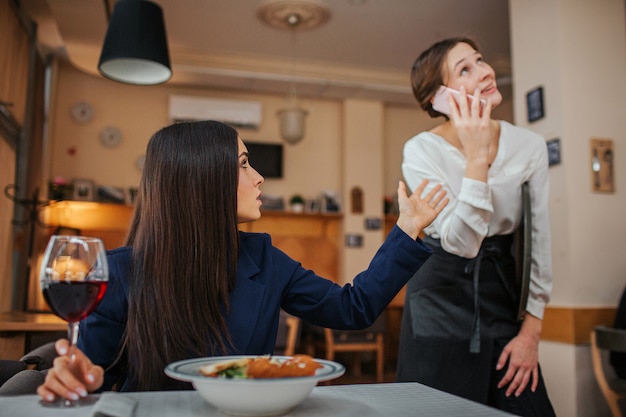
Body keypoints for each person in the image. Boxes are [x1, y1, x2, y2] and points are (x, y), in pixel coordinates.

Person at [37, 120, 448, 401]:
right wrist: (77, 380)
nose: (258, 178)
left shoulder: (264, 259)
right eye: (243, 165)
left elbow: (352, 308)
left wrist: (407, 227)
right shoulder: (119, 271)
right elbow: (93, 378)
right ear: (204, 181)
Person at [395, 37, 555, 417]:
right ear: (439, 98)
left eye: (480, 60)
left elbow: (539, 241)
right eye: (465, 69)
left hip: (502, 294)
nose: (485, 72)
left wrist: (531, 334)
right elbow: (462, 243)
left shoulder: (529, 146)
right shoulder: (421, 151)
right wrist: (477, 158)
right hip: (438, 298)